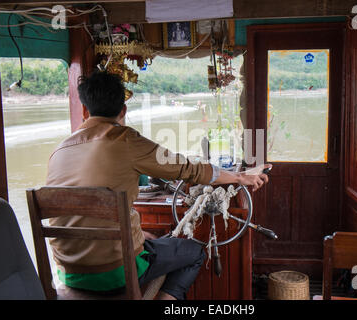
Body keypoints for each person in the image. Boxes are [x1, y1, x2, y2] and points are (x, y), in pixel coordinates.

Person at [46, 71, 271, 300]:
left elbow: (79, 214)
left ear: (85, 111)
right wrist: (240, 177)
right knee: (194, 252)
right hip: (117, 272)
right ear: (123, 111)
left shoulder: (58, 151)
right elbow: (188, 169)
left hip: (68, 273)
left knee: (154, 241)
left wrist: (138, 234)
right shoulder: (127, 140)